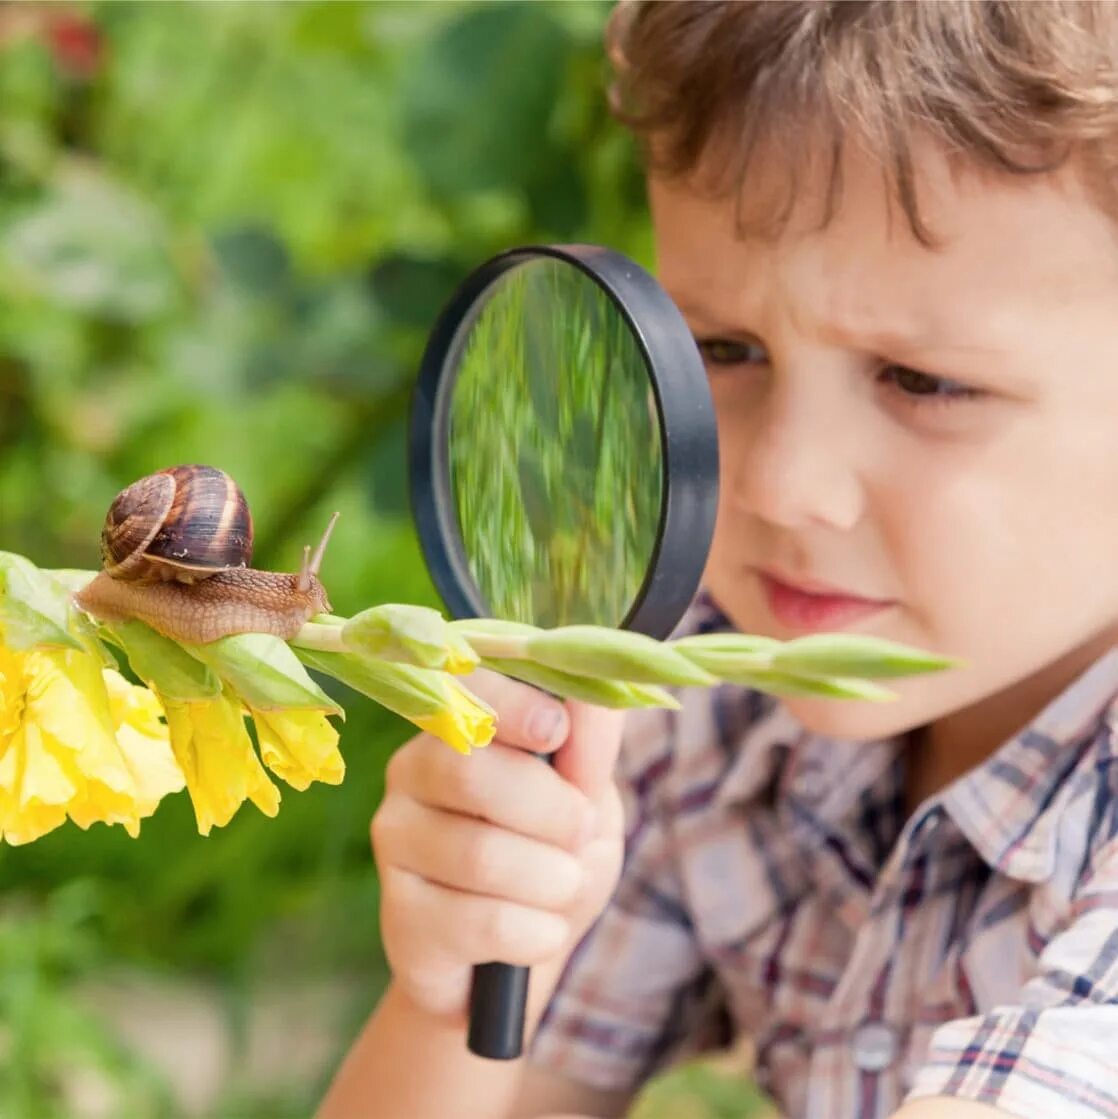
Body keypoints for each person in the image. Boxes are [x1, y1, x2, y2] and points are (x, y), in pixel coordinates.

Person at [318, 2, 1118, 1116]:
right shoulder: (701, 701)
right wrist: (459, 990)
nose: (779, 484)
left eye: (922, 381)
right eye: (723, 350)